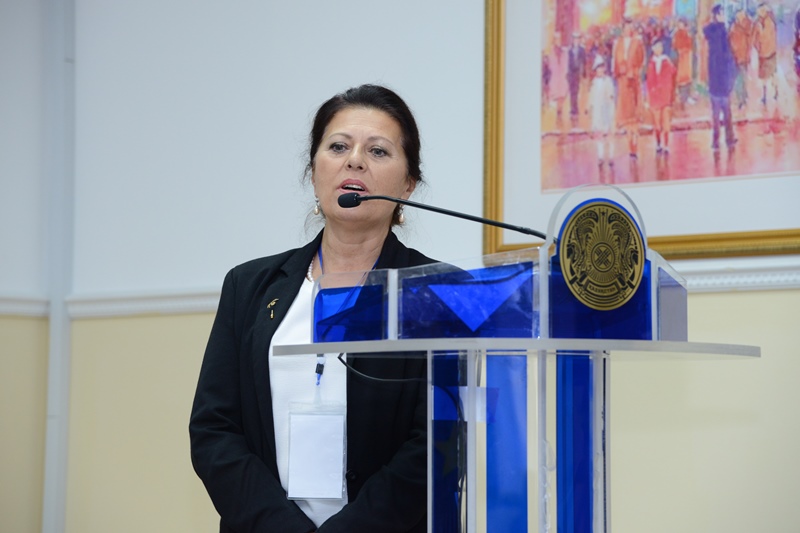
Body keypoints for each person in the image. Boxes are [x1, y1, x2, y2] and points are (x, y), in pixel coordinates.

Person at [189, 84, 437, 533]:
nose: (354, 161)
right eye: (338, 146)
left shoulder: (435, 291)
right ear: (313, 170)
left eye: (378, 151)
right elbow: (214, 429)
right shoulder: (249, 286)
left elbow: (439, 441)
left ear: (408, 184)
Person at [704, 4, 737, 151]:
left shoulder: (712, 32)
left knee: (717, 114)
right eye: (722, 14)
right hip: (722, 79)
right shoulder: (722, 33)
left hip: (715, 79)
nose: (724, 16)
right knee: (725, 112)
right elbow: (727, 57)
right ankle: (728, 139)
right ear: (717, 15)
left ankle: (717, 141)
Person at [612, 18, 646, 158]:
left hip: (634, 80)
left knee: (634, 113)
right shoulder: (618, 43)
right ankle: (630, 144)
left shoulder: (637, 42)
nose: (628, 30)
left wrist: (635, 71)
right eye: (626, 27)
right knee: (626, 113)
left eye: (630, 27)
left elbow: (641, 60)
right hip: (623, 80)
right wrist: (620, 70)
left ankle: (635, 142)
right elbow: (615, 60)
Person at [645, 38, 677, 154]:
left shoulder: (667, 62)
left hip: (665, 96)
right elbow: (649, 81)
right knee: (657, 124)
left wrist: (671, 93)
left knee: (666, 123)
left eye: (660, 47)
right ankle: (658, 143)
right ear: (653, 49)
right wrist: (649, 95)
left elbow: (673, 77)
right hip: (655, 97)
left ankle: (666, 145)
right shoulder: (651, 63)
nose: (658, 49)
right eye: (656, 47)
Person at [588, 54, 616, 167]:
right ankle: (600, 156)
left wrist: (610, 102)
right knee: (599, 135)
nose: (599, 70)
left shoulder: (608, 81)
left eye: (601, 68)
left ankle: (611, 156)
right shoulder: (594, 82)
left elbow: (611, 94)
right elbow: (591, 96)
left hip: (607, 109)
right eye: (597, 68)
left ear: (604, 68)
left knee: (608, 134)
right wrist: (589, 107)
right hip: (597, 111)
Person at [753, 2, 778, 110]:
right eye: (759, 11)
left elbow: (765, 37)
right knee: (763, 77)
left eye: (761, 11)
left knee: (772, 75)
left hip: (770, 53)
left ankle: (776, 92)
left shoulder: (769, 22)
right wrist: (757, 47)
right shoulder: (758, 22)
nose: (760, 13)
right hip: (762, 54)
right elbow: (754, 37)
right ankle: (764, 95)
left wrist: (760, 30)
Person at [728, 9, 753, 110]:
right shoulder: (734, 27)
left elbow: (749, 40)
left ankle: (742, 98)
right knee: (740, 78)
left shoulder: (746, 26)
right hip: (737, 57)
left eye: (742, 15)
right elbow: (731, 41)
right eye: (739, 16)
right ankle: (741, 98)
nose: (740, 18)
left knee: (741, 78)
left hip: (743, 56)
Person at [672, 18, 694, 109]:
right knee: (680, 79)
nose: (680, 26)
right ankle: (681, 99)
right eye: (679, 24)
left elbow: (690, 46)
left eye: (681, 24)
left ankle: (685, 98)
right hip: (680, 59)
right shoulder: (677, 34)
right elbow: (675, 46)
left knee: (686, 78)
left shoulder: (687, 35)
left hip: (686, 58)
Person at [567, 32, 587, 127]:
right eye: (575, 39)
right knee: (572, 92)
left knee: (577, 90)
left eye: (578, 39)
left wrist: (584, 73)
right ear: (573, 40)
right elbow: (567, 62)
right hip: (571, 73)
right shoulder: (569, 50)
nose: (576, 40)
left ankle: (577, 109)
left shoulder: (582, 50)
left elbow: (584, 62)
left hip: (578, 72)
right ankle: (573, 109)